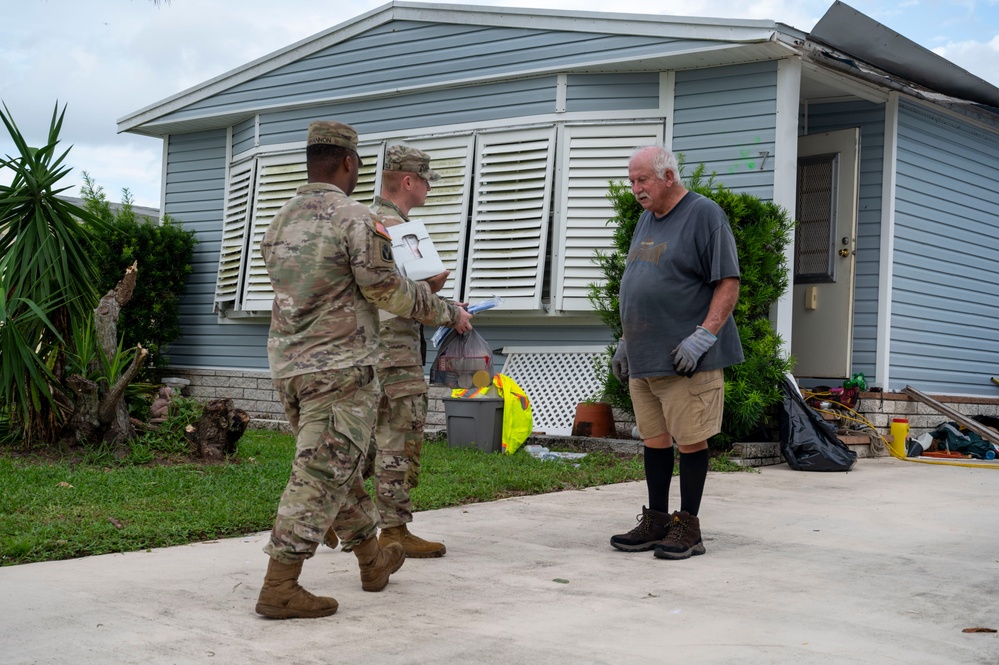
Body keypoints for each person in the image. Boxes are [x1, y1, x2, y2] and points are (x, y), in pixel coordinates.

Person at [254, 120, 474, 620]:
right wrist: (447, 311)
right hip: (340, 369)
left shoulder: (280, 219)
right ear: (349, 163)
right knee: (317, 476)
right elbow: (386, 290)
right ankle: (280, 583)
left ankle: (374, 560)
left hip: (289, 367)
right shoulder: (353, 217)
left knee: (342, 470)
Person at [609, 145, 742, 560]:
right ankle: (658, 521)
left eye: (642, 180)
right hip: (645, 357)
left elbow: (728, 282)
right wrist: (627, 339)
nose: (635, 189)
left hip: (687, 358)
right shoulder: (646, 219)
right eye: (632, 181)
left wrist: (704, 335)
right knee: (655, 441)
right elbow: (639, 281)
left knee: (690, 441)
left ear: (668, 177)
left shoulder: (705, 215)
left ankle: (688, 527)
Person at [322, 145, 450, 559]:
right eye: (427, 180)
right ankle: (393, 531)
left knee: (362, 440)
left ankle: (334, 517)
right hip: (396, 351)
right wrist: (445, 300)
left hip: (361, 348)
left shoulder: (360, 220)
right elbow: (418, 288)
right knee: (399, 437)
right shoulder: (398, 228)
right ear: (409, 181)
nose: (429, 188)